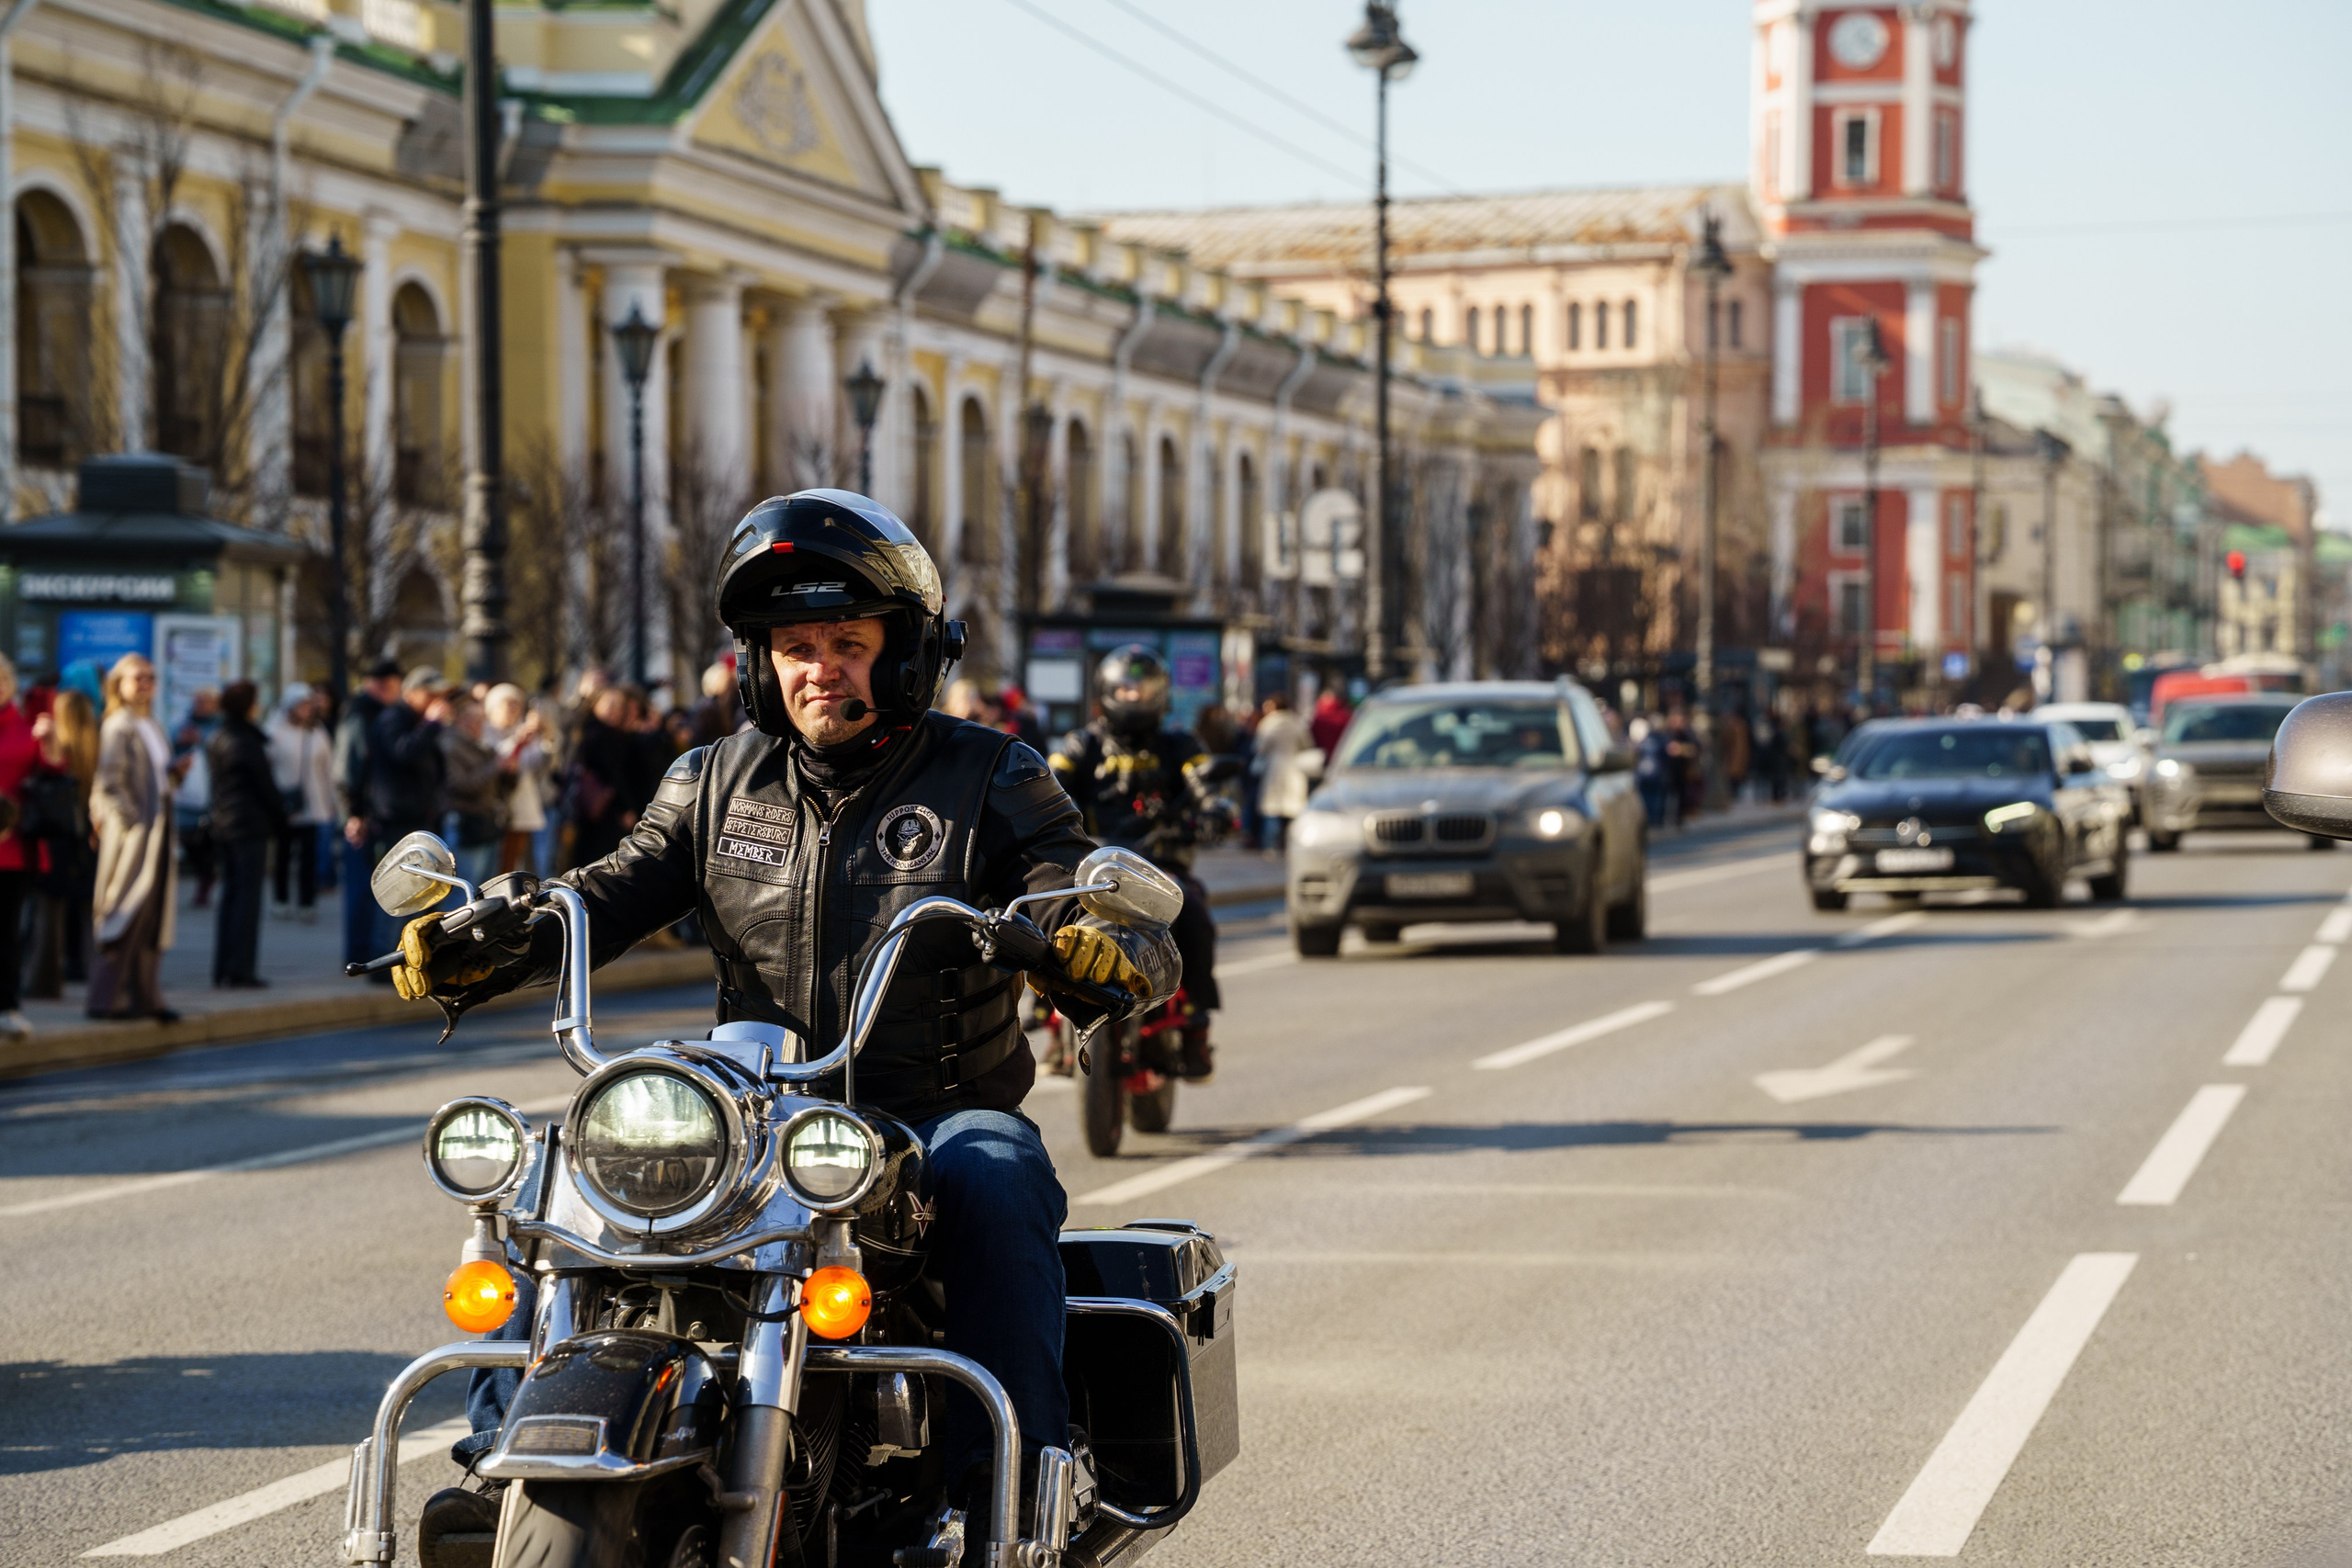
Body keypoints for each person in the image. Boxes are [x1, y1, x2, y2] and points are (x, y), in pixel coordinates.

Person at [388, 489, 1178, 1562]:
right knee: (563, 1161)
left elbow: (1072, 888)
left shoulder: (991, 775)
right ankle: (505, 1461)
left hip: (926, 1114)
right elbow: (605, 893)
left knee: (997, 1171)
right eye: (794, 647)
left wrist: (1100, 945)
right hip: (756, 1112)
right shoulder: (711, 780)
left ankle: (1004, 1505)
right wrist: (491, 935)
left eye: (847, 643)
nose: (819, 670)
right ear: (759, 665)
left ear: (905, 653)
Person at [1047, 644, 1229, 1082]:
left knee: (1196, 917)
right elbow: (1048, 784)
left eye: (1143, 688)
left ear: (1161, 693)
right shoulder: (1081, 743)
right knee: (1047, 917)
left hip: (1163, 868)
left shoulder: (1179, 744)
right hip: (1093, 870)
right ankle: (1048, 1018)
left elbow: (1205, 783)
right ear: (1107, 691)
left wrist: (1215, 811)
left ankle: (1196, 1024)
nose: (1134, 697)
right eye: (1125, 688)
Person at [88, 654, 180, 1023]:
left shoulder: (151, 724)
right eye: (138, 677)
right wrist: (132, 825)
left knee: (153, 918)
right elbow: (110, 784)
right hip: (135, 835)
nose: (146, 683)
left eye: (151, 677)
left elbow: (157, 780)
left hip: (159, 828)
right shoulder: (119, 725)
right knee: (124, 912)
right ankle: (107, 999)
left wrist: (175, 774)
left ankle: (146, 997)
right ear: (119, 684)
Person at [205, 681, 287, 989]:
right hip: (248, 827)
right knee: (246, 901)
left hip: (226, 825)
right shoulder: (244, 741)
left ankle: (224, 967)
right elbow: (264, 787)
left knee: (230, 897)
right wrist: (281, 818)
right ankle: (241, 969)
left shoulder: (219, 736)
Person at [0, 654, 62, 1036]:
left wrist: (52, 741)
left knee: (5, 932)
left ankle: (7, 1006)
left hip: (13, 848)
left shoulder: (27, 727)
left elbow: (55, 775)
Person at [27, 687, 98, 998]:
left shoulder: (55, 748)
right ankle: (96, 975)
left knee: (48, 915)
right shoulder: (96, 749)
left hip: (55, 839)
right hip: (90, 842)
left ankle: (44, 981)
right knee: (90, 915)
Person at [336, 659, 404, 968]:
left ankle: (364, 953)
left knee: (368, 889)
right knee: (363, 890)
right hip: (362, 817)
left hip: (367, 812)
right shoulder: (361, 714)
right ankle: (359, 956)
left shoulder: (370, 713)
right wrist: (355, 813)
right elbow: (350, 768)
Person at [267, 684, 333, 921]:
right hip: (284, 805)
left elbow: (328, 768)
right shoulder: (274, 731)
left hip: (312, 805)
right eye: (301, 706)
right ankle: (281, 899)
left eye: (308, 706)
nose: (306, 710)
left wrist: (331, 801)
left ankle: (307, 902)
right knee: (283, 855)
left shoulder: (317, 733)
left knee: (308, 857)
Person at [440, 693, 504, 889]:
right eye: (474, 720)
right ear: (461, 719)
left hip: (485, 821)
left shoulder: (480, 744)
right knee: (463, 892)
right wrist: (494, 767)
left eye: (481, 720)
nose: (479, 725)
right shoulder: (450, 744)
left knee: (484, 890)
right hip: (465, 823)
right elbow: (458, 784)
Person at [484, 683, 548, 876]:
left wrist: (546, 734)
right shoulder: (484, 730)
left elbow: (538, 763)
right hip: (493, 810)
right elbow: (500, 762)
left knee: (517, 864)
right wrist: (518, 742)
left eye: (516, 705)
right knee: (495, 867)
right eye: (508, 705)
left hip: (522, 809)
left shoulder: (522, 731)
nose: (512, 711)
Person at [172, 687, 220, 909]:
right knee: (188, 838)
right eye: (197, 701)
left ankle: (205, 880)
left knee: (206, 842)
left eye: (205, 701)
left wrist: (201, 741)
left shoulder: (218, 726)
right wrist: (181, 742)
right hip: (187, 796)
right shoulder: (182, 724)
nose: (199, 705)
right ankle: (205, 875)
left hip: (211, 794)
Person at [1252, 692, 1314, 852]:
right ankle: (1292, 844)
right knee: (1293, 810)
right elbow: (1307, 744)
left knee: (1272, 810)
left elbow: (1260, 747)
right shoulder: (1297, 722)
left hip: (1274, 768)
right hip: (1294, 769)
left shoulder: (1268, 723)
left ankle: (1270, 845)